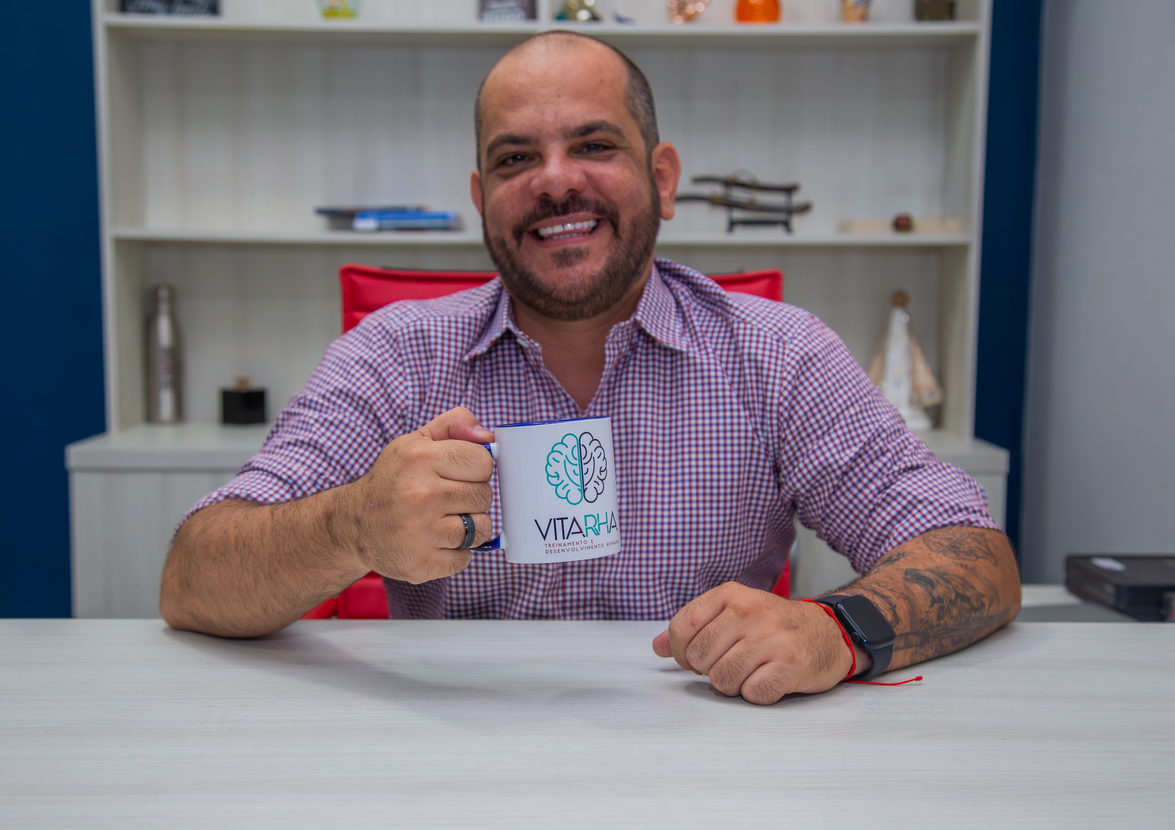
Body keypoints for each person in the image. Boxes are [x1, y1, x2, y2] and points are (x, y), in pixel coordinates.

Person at [161, 31, 1020, 705]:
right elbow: (193, 578)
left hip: (707, 757)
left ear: (662, 177)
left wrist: (835, 629)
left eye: (594, 144)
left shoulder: (778, 355)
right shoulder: (394, 356)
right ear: (481, 200)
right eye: (515, 158)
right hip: (450, 758)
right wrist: (353, 525)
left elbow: (976, 555)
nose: (554, 181)